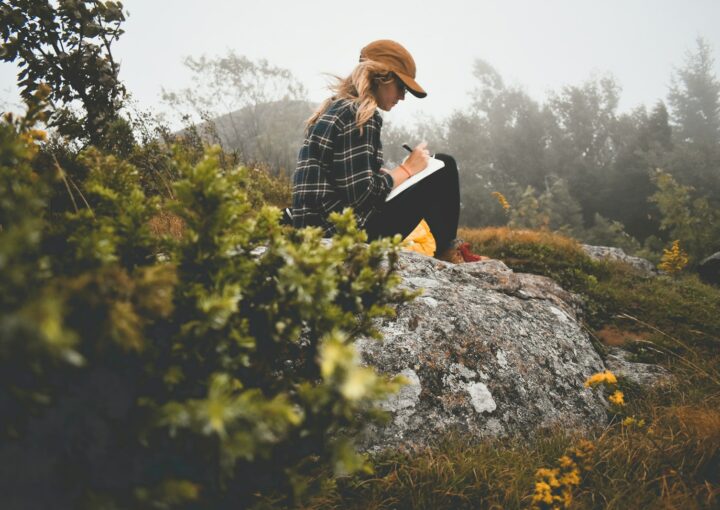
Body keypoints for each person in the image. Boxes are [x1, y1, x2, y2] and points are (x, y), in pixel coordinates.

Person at [291, 39, 485, 263]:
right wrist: (407, 169)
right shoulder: (361, 114)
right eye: (401, 87)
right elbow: (362, 195)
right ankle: (446, 251)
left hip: (317, 230)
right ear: (381, 77)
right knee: (444, 165)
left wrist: (388, 175)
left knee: (429, 168)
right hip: (345, 234)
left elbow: (345, 186)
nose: (402, 97)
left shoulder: (334, 108)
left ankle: (446, 250)